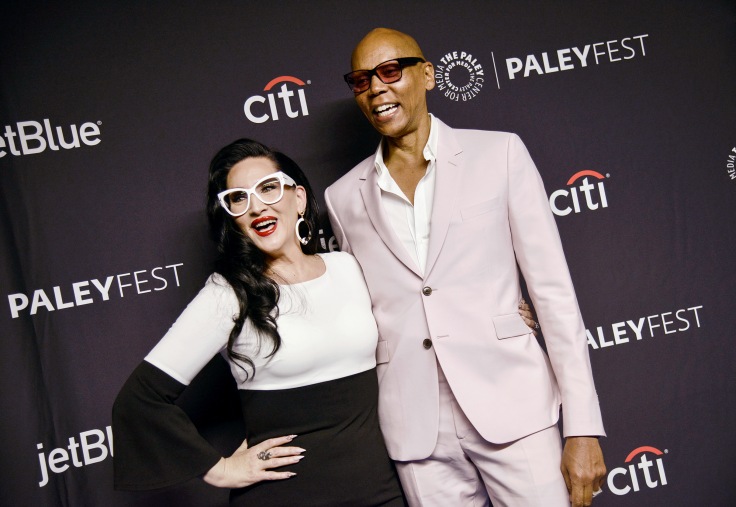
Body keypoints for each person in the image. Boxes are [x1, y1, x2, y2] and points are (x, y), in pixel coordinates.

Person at [325, 28, 606, 507]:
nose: (376, 88)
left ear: (428, 74)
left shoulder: (500, 154)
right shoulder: (341, 196)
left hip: (514, 408)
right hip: (416, 434)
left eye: (390, 71)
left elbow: (554, 294)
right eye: (361, 80)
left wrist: (582, 426)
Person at [112, 139, 405, 506]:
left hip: (378, 491)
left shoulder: (347, 266)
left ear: (298, 198)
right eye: (239, 198)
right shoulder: (228, 293)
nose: (256, 207)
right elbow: (139, 400)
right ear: (232, 218)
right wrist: (221, 470)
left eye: (268, 188)